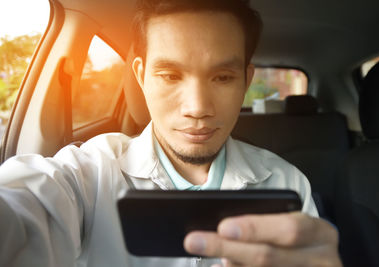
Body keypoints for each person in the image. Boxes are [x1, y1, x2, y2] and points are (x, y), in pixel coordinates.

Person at [0, 0, 342, 266]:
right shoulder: (87, 174)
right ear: (141, 76)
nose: (197, 107)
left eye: (222, 77)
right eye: (170, 75)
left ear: (246, 81)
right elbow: (20, 209)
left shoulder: (287, 182)